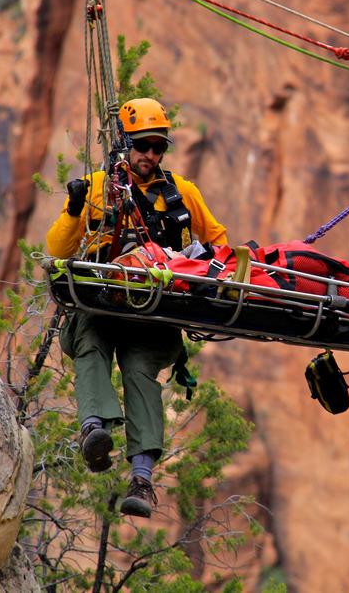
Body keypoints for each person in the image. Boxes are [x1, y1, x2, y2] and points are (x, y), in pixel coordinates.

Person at [45, 97, 228, 518]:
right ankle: (95, 430)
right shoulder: (95, 188)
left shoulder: (182, 194)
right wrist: (75, 208)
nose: (149, 154)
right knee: (90, 340)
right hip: (104, 297)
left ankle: (142, 479)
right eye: (142, 145)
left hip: (155, 303)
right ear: (125, 143)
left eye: (158, 146)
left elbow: (218, 241)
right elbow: (57, 248)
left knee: (140, 367)